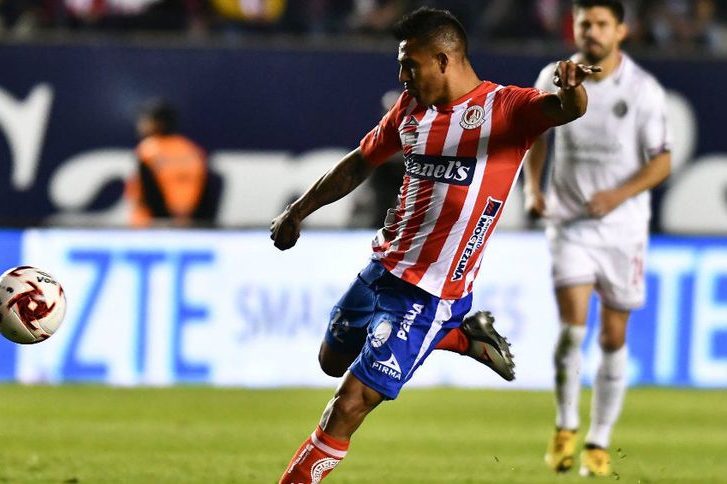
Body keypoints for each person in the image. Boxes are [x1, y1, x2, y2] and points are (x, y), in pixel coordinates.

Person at [270, 7, 599, 483]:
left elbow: (566, 109)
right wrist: (298, 211)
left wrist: (571, 89)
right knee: (331, 360)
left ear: (444, 60)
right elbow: (360, 161)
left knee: (349, 404)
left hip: (430, 293)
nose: (403, 77)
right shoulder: (410, 110)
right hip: (382, 268)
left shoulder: (505, 109)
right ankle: (463, 337)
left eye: (410, 65)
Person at [522, 0, 672, 477]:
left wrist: (617, 195)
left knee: (613, 336)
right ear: (575, 26)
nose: (592, 31)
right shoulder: (553, 76)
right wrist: (532, 188)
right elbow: (536, 135)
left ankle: (598, 441)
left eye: (602, 24)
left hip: (623, 229)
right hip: (569, 224)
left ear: (621, 31)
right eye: (584, 23)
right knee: (572, 328)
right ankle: (566, 425)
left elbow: (662, 161)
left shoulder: (643, 90)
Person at [124, 100, 221, 227]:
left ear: (159, 123)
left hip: (151, 226)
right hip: (190, 224)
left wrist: (164, 220)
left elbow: (148, 193)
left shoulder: (148, 150)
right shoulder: (192, 150)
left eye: (146, 119)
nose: (141, 124)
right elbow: (207, 190)